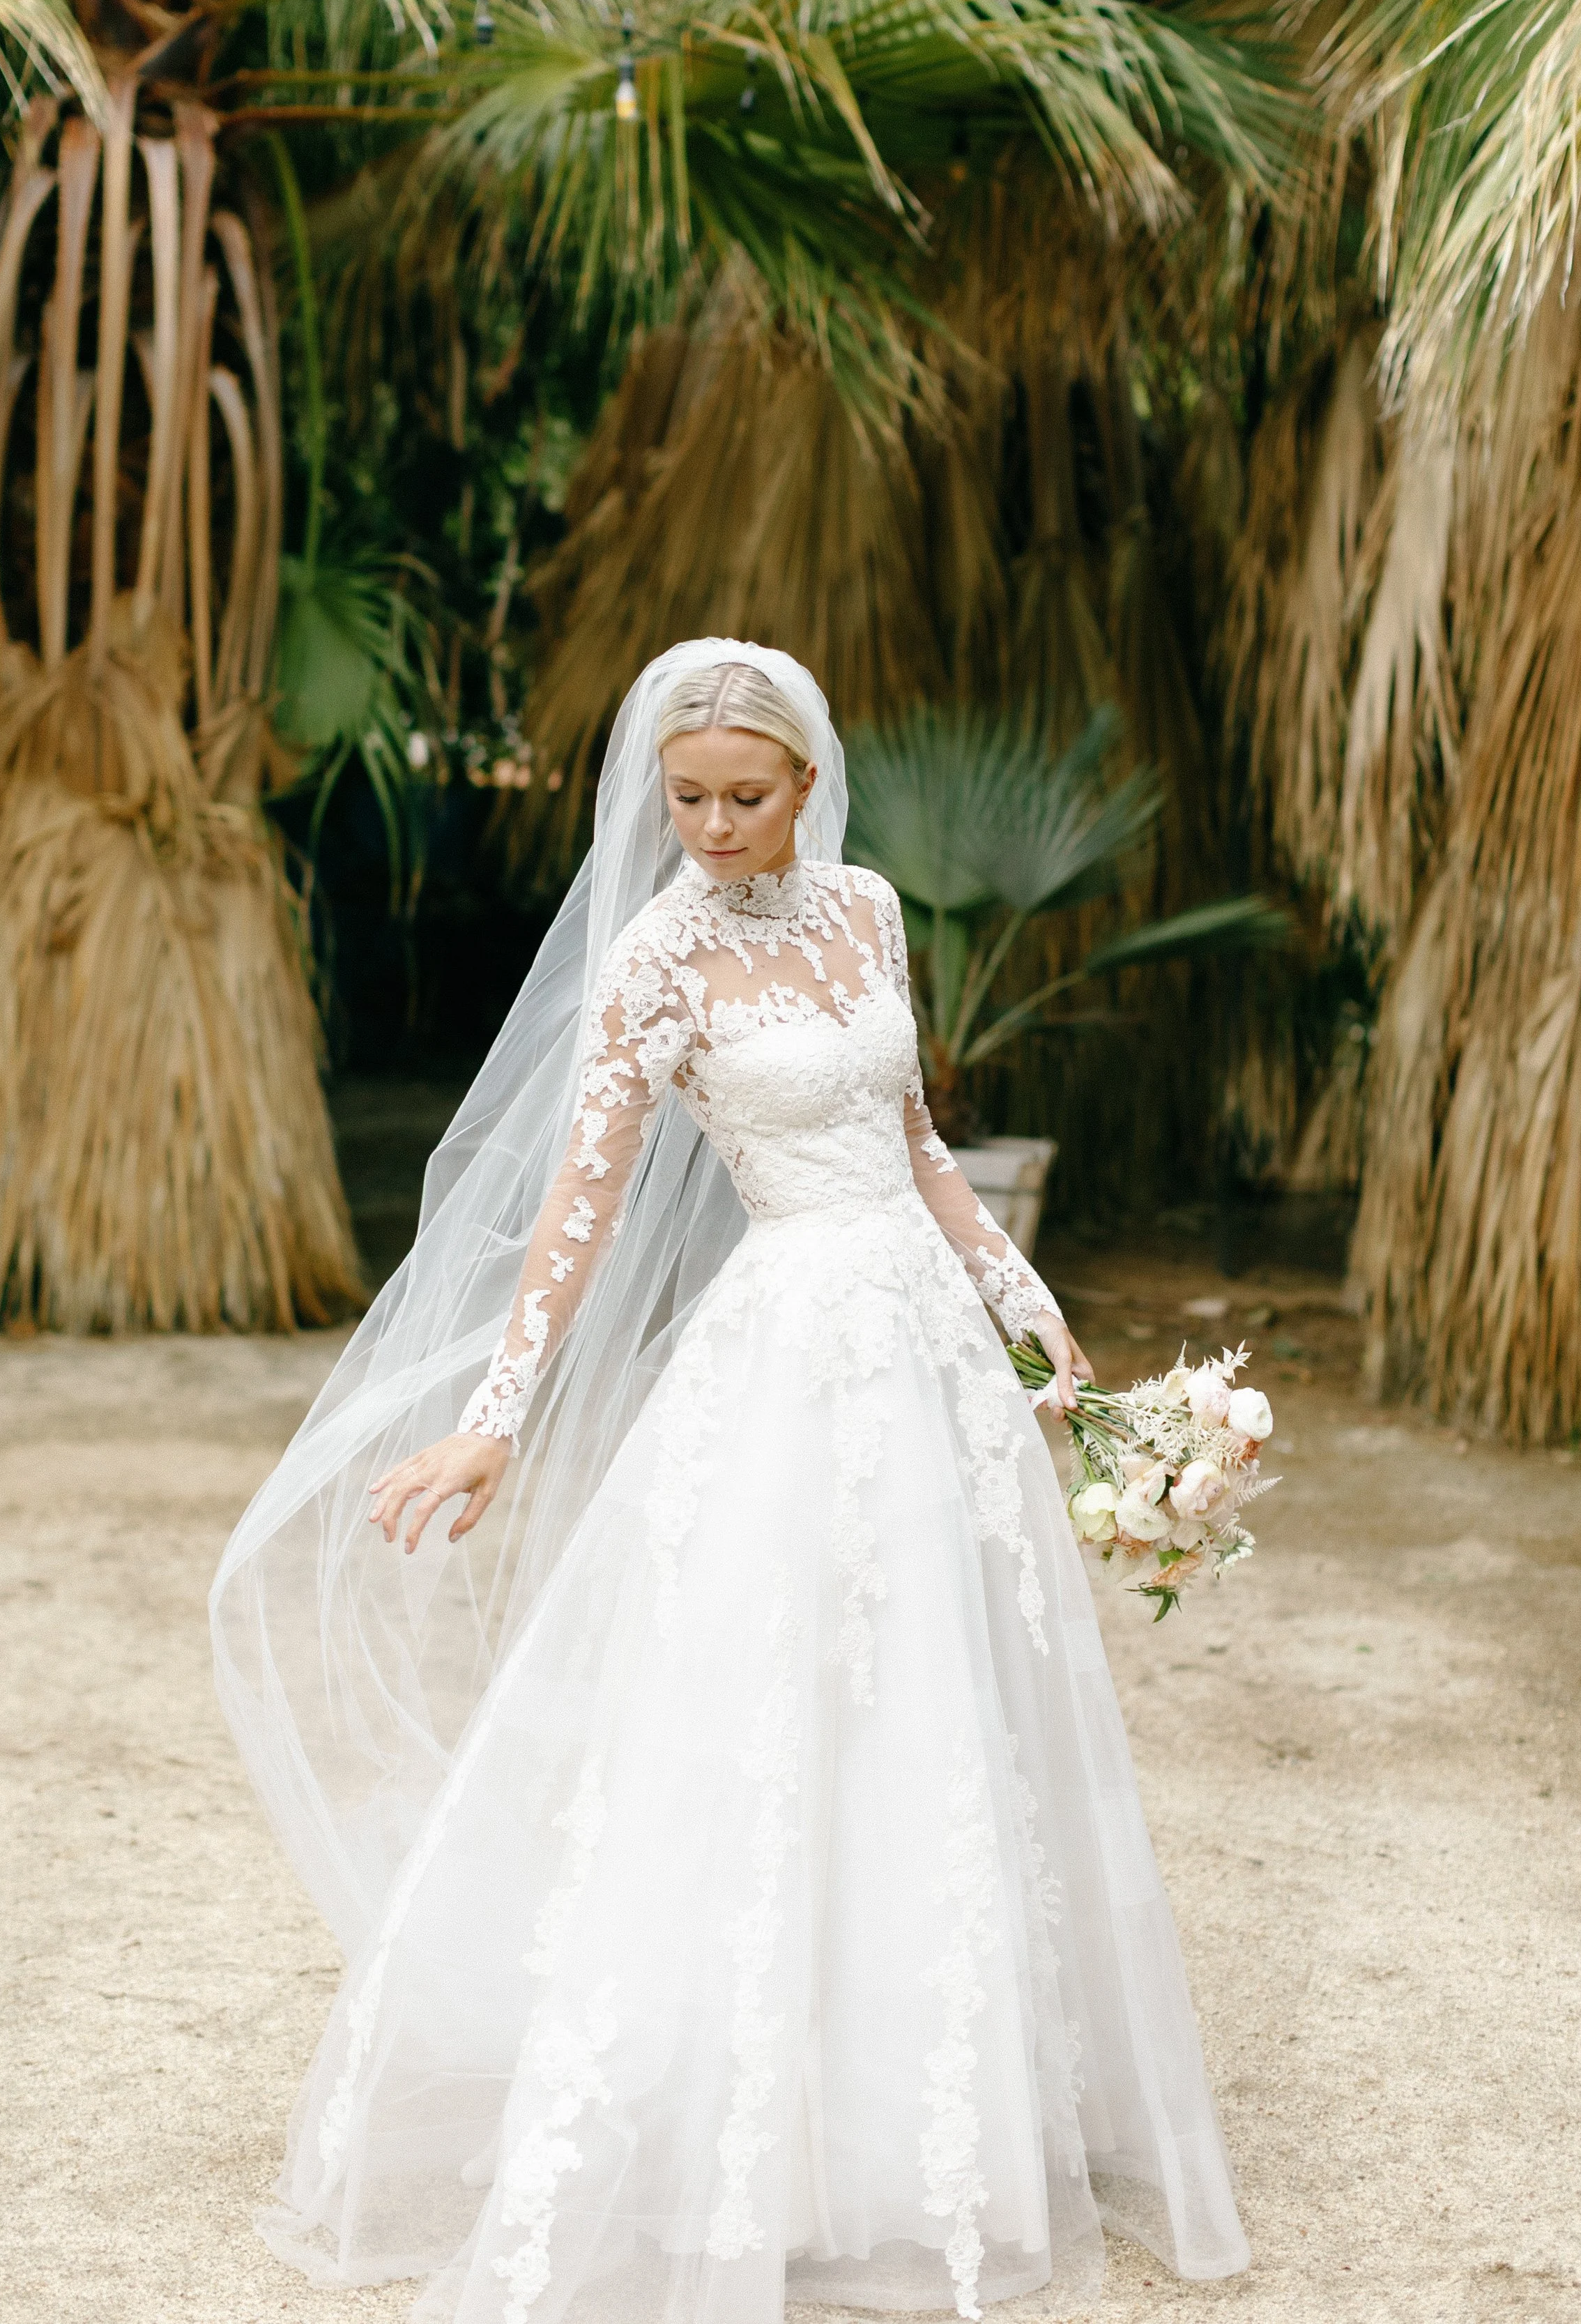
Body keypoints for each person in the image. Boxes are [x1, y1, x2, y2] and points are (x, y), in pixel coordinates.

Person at [211, 640, 1248, 2324]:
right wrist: (496, 1413)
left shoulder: (871, 912)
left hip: (922, 1353)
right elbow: (581, 1211)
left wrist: (1030, 1316)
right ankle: (749, 2127)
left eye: (742, 797)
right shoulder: (652, 964)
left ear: (805, 780)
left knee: (929, 1707)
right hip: (784, 1360)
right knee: (765, 1719)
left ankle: (922, 2130)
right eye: (684, 798)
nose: (709, 824)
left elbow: (915, 1146)